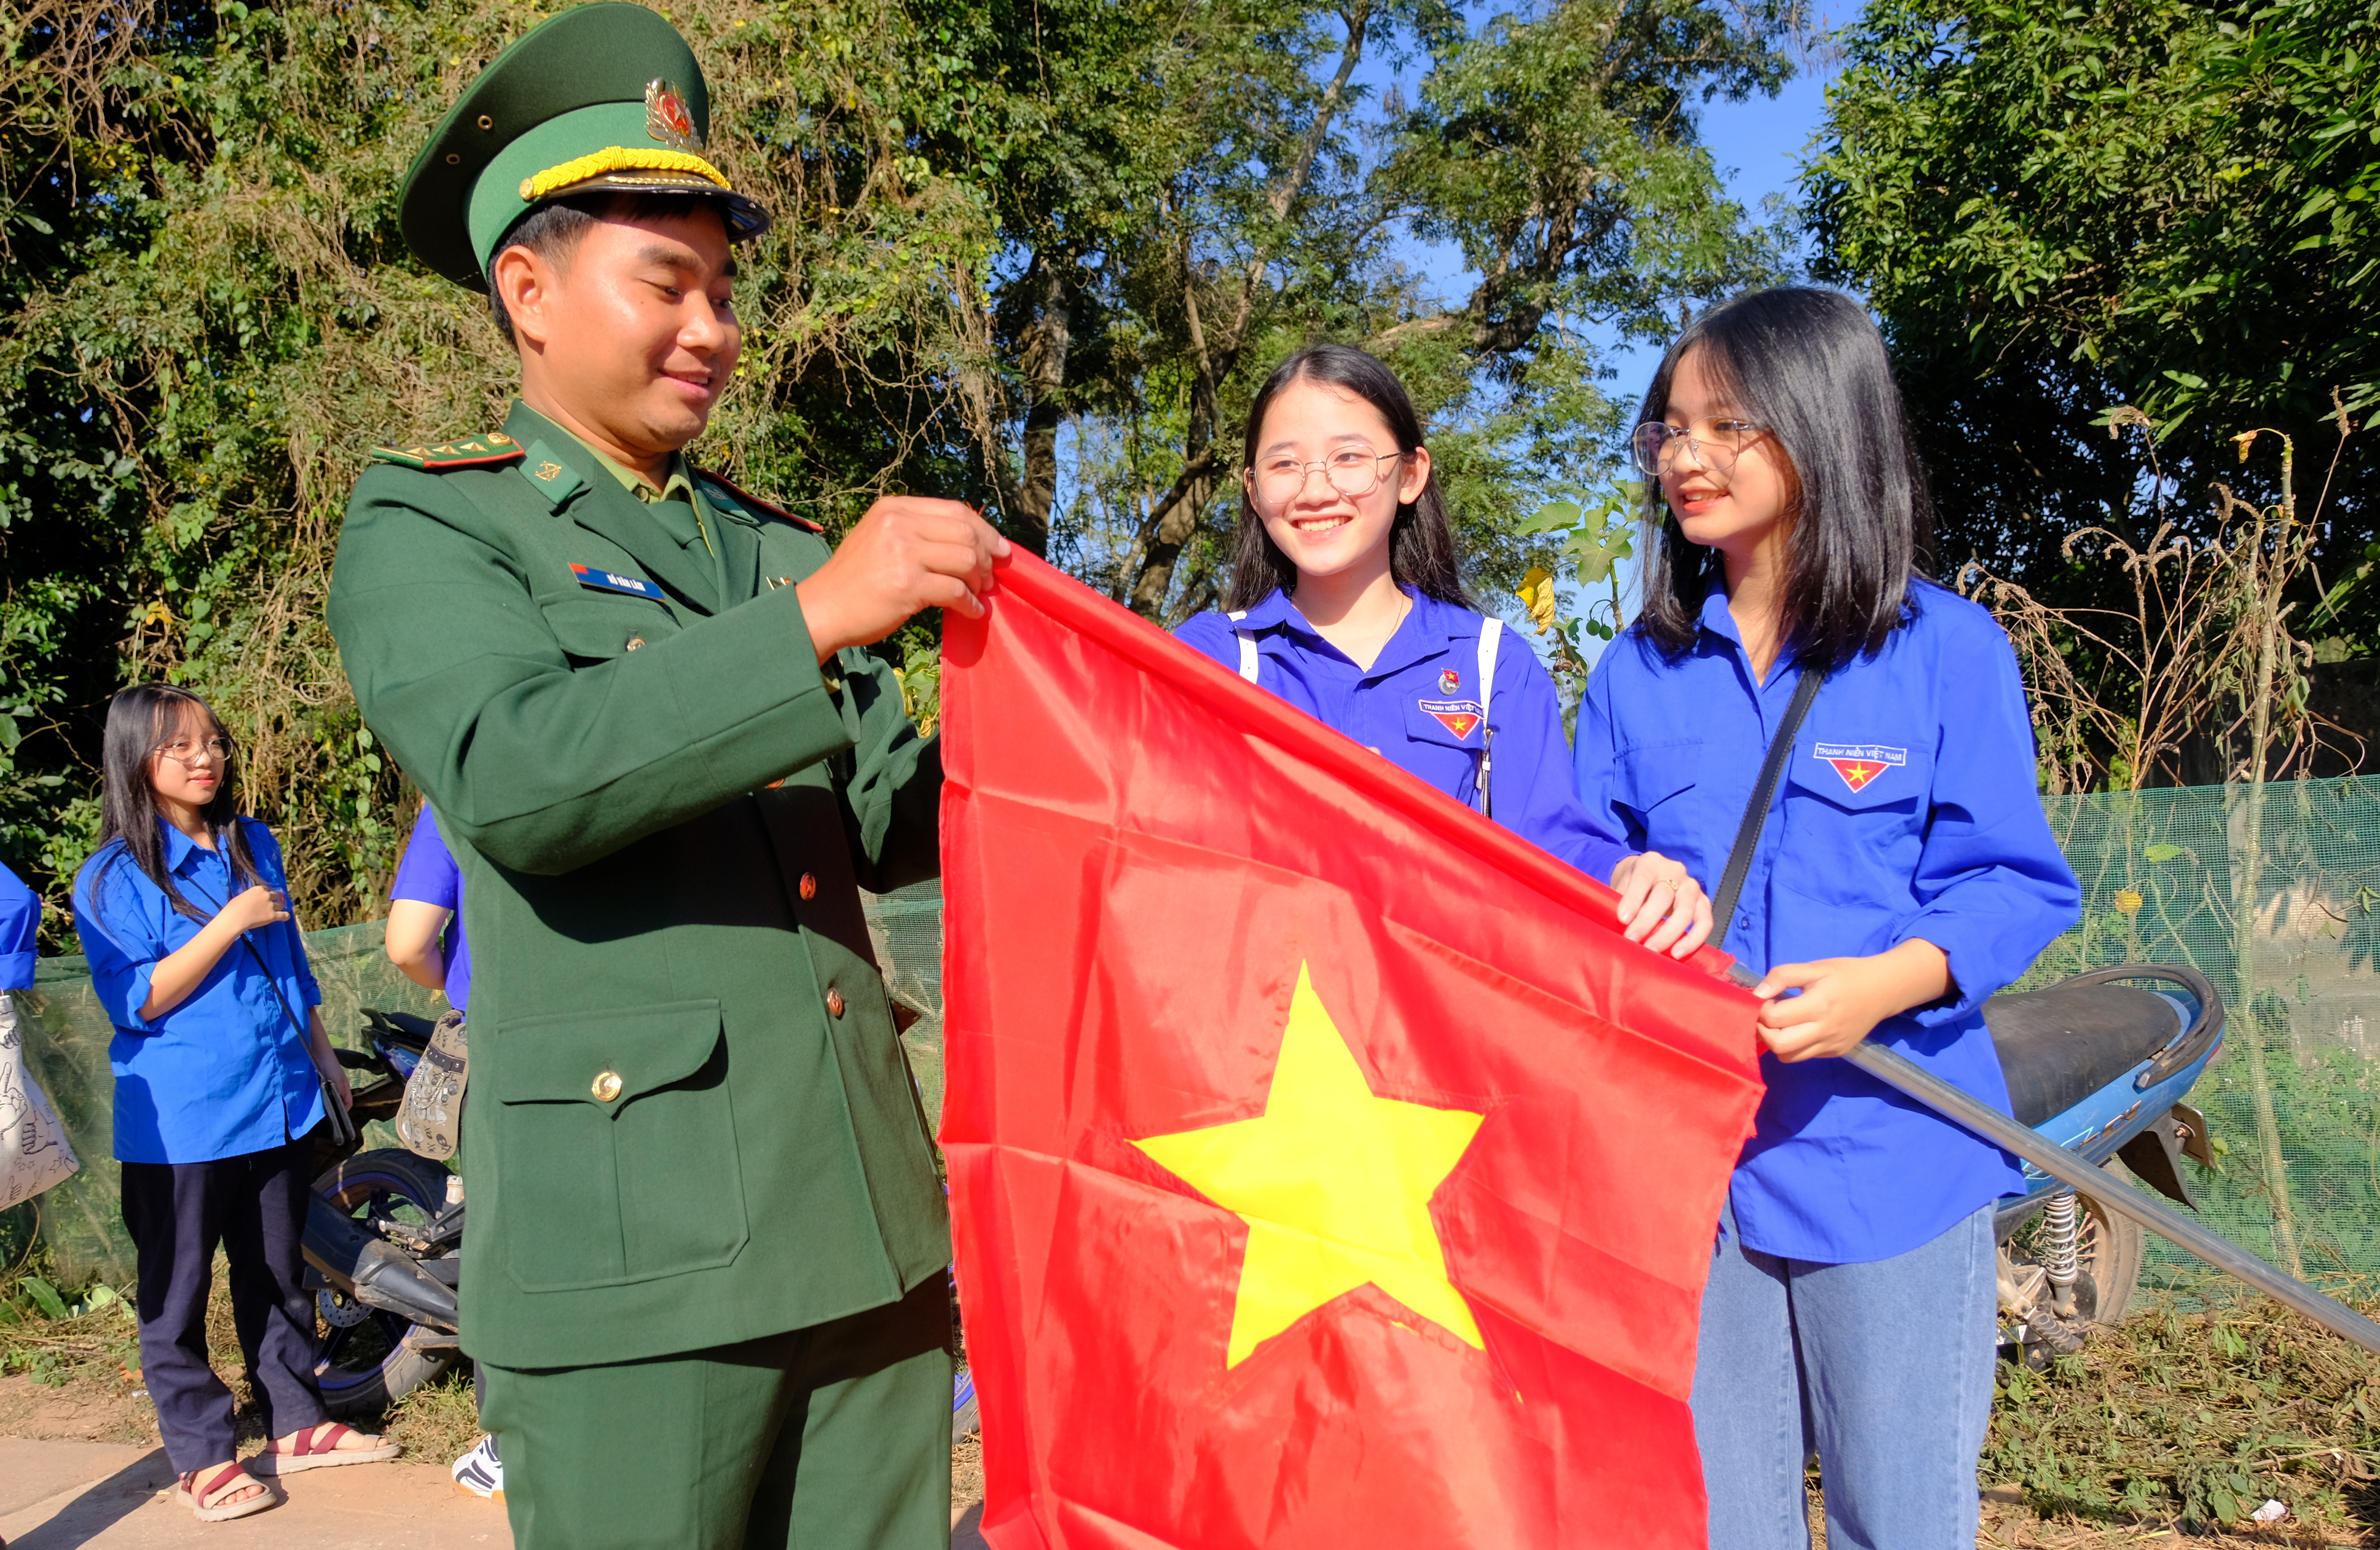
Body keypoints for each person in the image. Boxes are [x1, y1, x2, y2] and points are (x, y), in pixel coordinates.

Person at [324, 6, 1006, 1544]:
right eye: (665, 282)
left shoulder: (766, 541)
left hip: (869, 1235)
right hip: (635, 1262)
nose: (712, 326)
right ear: (528, 290)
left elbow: (895, 814)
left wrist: (1061, 721)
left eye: (724, 288)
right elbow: (515, 775)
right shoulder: (436, 525)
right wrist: (820, 618)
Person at [1571, 287, 2081, 1549]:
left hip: (1890, 1155)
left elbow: (2012, 882)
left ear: (1824, 424)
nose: (1683, 455)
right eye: (1668, 428)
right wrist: (1625, 885)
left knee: (1896, 1520)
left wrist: (1879, 983)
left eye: (1724, 424)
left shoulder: (1943, 650)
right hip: (1697, 1182)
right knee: (1717, 1523)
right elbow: (1580, 865)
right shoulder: (1638, 669)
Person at [1175, 342, 1710, 954]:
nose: (1315, 490)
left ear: (1410, 474)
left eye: (1349, 457)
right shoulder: (1212, 657)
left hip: (1430, 1032)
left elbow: (1552, 844)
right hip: (1266, 1021)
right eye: (1284, 465)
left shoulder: (1491, 663)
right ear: (1252, 488)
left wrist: (1630, 874)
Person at [73, 685, 400, 1524]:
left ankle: (295, 1420)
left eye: (212, 741)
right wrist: (227, 921)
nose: (205, 757)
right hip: (184, 1120)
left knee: (278, 1273)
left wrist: (323, 1056)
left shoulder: (251, 841)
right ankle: (202, 1455)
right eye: (179, 747)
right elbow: (135, 998)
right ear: (135, 761)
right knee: (175, 1296)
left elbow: (288, 959)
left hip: (279, 1096)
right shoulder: (112, 878)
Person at [383, 801, 501, 1501]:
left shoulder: (457, 785)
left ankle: (509, 1438)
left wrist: (455, 979)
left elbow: (406, 941)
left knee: (506, 1241)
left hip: (502, 1044)